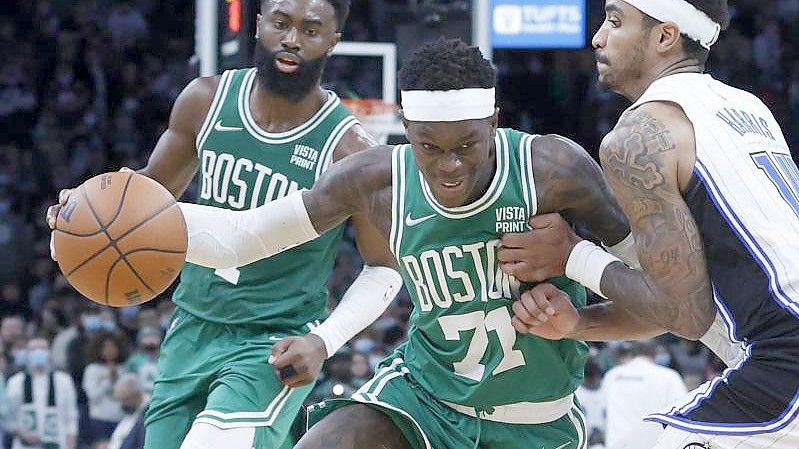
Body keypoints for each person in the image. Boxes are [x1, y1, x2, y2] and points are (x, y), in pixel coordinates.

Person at [177, 38, 638, 449]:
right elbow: (245, 237)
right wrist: (141, 219)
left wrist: (578, 311)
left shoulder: (554, 170)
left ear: (495, 122)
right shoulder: (377, 180)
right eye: (429, 147)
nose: (449, 166)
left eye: (467, 146)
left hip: (537, 420)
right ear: (406, 125)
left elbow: (663, 300)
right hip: (423, 398)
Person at [46, 0, 402, 448]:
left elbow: (386, 268)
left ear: (334, 41)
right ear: (258, 25)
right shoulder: (205, 101)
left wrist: (324, 341)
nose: (292, 39)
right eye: (281, 23)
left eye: (311, 31)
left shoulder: (348, 149)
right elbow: (145, 204)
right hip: (191, 327)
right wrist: (82, 216)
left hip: (271, 342)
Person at [500, 0, 799, 448]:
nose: (597, 37)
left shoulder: (638, 136)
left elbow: (685, 313)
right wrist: (578, 323)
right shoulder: (746, 107)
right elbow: (683, 303)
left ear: (665, 36)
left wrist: (573, 255)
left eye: (615, 21)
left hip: (784, 362)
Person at [601, 341, 686, 448]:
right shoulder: (669, 377)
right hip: (653, 445)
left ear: (631, 352)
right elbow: (682, 415)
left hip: (618, 444)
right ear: (655, 352)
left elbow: (603, 413)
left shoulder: (612, 375)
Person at [6, 336, 79, 449]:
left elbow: (71, 416)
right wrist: (23, 434)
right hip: (25, 443)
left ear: (49, 353)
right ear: (27, 354)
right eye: (34, 349)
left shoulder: (63, 380)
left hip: (58, 441)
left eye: (42, 348)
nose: (38, 352)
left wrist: (71, 444)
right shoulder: (16, 382)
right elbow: (9, 417)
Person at [82, 333, 129, 445]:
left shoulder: (124, 369)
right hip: (100, 420)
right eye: (105, 347)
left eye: (113, 347)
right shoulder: (92, 369)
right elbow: (93, 395)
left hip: (121, 418)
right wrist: (108, 381)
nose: (110, 351)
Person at [107, 374, 147, 449]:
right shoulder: (129, 414)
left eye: (125, 400)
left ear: (136, 395)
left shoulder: (146, 415)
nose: (122, 405)